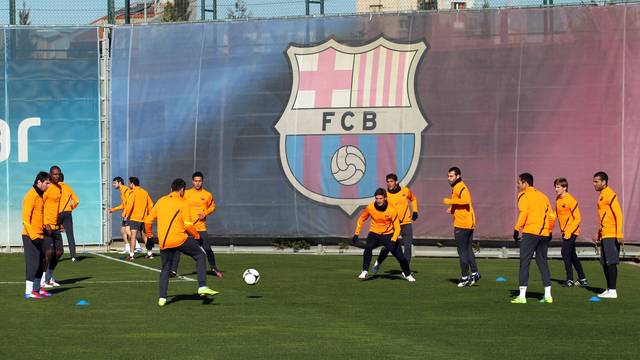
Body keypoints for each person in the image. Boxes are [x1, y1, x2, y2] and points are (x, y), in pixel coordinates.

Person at [144, 178, 220, 306]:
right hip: (179, 239)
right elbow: (188, 224)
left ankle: (162, 298)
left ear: (171, 189)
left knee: (165, 268)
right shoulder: (183, 202)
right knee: (200, 255)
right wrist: (196, 236)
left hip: (163, 241)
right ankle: (202, 286)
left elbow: (147, 221)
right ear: (182, 190)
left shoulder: (161, 200)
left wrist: (150, 236)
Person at [352, 188, 415, 282]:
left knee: (401, 257)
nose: (378, 200)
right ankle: (364, 271)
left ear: (385, 198)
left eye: (380, 198)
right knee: (368, 248)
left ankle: (408, 274)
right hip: (374, 233)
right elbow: (361, 219)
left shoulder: (391, 210)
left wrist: (393, 240)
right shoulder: (370, 207)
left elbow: (397, 227)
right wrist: (356, 233)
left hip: (388, 235)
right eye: (377, 198)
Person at [511, 173, 555, 304]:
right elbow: (551, 215)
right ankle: (548, 295)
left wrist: (516, 228)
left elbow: (524, 212)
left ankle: (522, 296)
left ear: (525, 183)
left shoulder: (523, 195)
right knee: (543, 263)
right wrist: (550, 230)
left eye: (519, 183)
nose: (517, 185)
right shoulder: (543, 196)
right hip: (544, 234)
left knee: (524, 262)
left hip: (530, 232)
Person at [170, 171, 222, 278]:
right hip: (187, 227)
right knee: (177, 249)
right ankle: (173, 271)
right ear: (192, 182)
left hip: (200, 228)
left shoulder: (207, 195)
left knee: (207, 249)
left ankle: (213, 268)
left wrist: (205, 213)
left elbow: (212, 207)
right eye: (195, 181)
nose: (197, 183)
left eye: (199, 181)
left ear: (202, 182)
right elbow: (177, 202)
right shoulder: (186, 193)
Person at [370, 173, 419, 274]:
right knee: (387, 247)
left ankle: (405, 270)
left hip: (406, 223)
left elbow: (413, 199)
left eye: (391, 181)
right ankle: (377, 264)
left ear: (396, 182)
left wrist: (415, 211)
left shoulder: (405, 191)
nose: (389, 183)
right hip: (393, 226)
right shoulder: (385, 195)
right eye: (387, 182)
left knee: (408, 246)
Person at [442, 167, 480, 287]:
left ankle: (465, 277)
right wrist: (452, 209)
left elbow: (466, 200)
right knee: (468, 249)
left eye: (451, 176)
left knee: (462, 251)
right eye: (448, 176)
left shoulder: (460, 186)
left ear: (458, 176)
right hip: (467, 223)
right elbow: (458, 202)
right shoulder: (456, 187)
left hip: (462, 224)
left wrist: (449, 202)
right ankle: (474, 273)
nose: (449, 178)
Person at [22, 171, 53, 299]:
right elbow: (25, 218)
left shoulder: (40, 196)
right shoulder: (31, 195)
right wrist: (34, 236)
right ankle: (28, 292)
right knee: (33, 263)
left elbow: (38, 217)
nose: (49, 186)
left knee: (42, 262)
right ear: (39, 182)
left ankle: (37, 289)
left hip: (40, 235)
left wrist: (45, 228)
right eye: (47, 183)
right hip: (30, 236)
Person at [593, 171, 623, 299]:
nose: (594, 184)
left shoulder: (610, 194)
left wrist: (619, 233)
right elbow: (603, 218)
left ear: (604, 182)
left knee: (611, 262)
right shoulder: (601, 196)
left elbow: (618, 215)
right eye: (594, 181)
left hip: (611, 234)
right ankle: (609, 288)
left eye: (596, 181)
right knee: (605, 263)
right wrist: (598, 233)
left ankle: (613, 290)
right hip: (605, 234)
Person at [552, 178, 587, 287]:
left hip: (572, 232)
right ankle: (582, 278)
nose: (556, 189)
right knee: (572, 255)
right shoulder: (558, 199)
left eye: (558, 187)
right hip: (565, 232)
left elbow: (578, 218)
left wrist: (569, 231)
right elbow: (555, 214)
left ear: (564, 188)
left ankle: (570, 280)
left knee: (565, 252)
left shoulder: (571, 200)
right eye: (555, 186)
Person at [41, 165, 64, 288]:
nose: (57, 176)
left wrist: (59, 223)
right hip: (47, 225)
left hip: (55, 226)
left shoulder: (59, 188)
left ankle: (49, 277)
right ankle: (42, 279)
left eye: (58, 174)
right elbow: (41, 204)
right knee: (49, 252)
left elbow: (56, 208)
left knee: (59, 252)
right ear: (50, 174)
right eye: (55, 174)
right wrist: (45, 223)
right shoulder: (47, 187)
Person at [124, 177, 154, 261]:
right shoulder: (145, 192)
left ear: (132, 184)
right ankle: (150, 253)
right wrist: (149, 215)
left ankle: (131, 255)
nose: (128, 184)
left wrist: (125, 215)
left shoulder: (132, 192)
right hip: (144, 218)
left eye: (129, 183)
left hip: (134, 218)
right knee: (144, 236)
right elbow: (151, 204)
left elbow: (130, 205)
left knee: (133, 236)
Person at [58, 173, 80, 262]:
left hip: (57, 213)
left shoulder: (53, 188)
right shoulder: (68, 187)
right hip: (67, 213)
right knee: (70, 235)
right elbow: (77, 200)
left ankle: (55, 255)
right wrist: (71, 207)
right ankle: (73, 256)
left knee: (55, 235)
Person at [110, 177, 133, 254]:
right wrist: (113, 209)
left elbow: (128, 204)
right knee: (123, 231)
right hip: (126, 213)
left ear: (119, 183)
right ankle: (127, 247)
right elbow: (123, 205)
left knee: (127, 230)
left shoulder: (125, 190)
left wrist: (126, 214)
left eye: (114, 183)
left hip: (128, 214)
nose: (113, 185)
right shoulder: (122, 190)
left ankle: (136, 247)